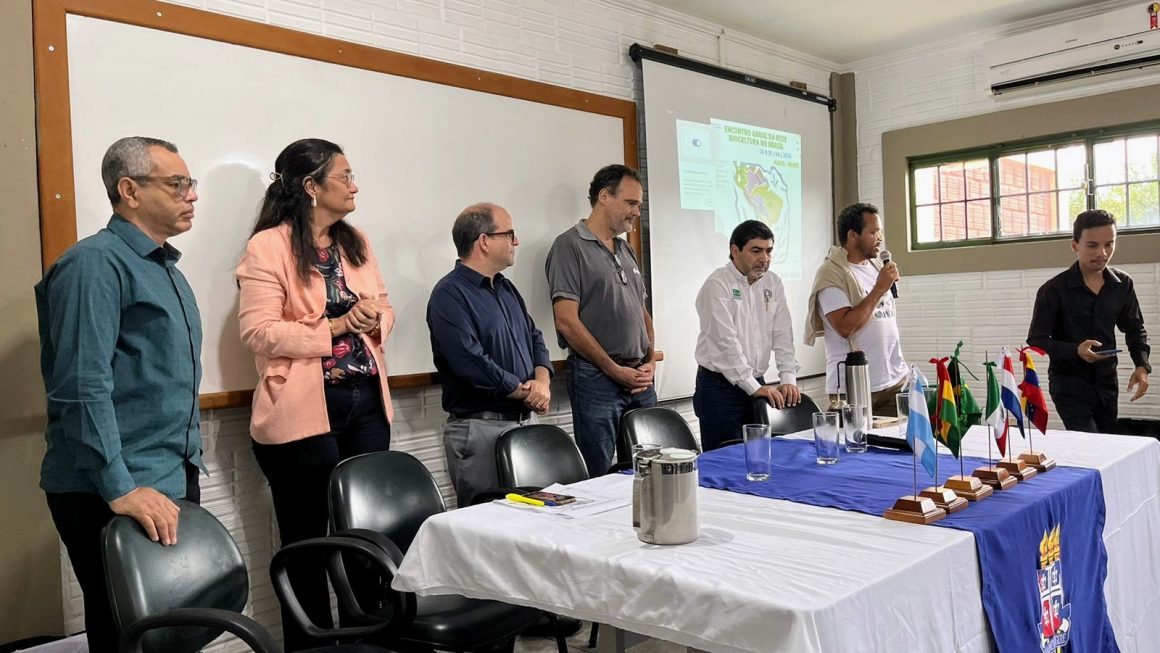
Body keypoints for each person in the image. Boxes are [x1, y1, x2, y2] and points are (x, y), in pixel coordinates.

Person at [36, 136, 204, 653]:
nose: (191, 195)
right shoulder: (94, 265)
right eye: (177, 184)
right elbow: (81, 386)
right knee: (129, 634)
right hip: (112, 487)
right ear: (129, 190)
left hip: (165, 474)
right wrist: (119, 486)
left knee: (172, 631)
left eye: (190, 183)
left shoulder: (163, 268)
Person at [236, 138, 393, 651]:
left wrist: (374, 318)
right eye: (344, 176)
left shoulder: (356, 242)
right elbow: (258, 332)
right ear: (310, 187)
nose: (354, 186)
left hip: (365, 401)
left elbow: (384, 306)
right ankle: (312, 647)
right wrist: (336, 324)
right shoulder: (269, 246)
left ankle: (370, 638)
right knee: (305, 541)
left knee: (366, 531)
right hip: (303, 409)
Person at [427, 203, 552, 507]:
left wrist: (542, 381)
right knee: (485, 527)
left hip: (523, 422)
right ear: (483, 241)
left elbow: (535, 337)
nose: (516, 241)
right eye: (509, 234)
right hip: (480, 429)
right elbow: (470, 360)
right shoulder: (449, 294)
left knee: (533, 525)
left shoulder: (507, 289)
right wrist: (525, 391)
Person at [546, 164, 655, 477]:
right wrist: (613, 369)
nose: (637, 212)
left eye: (639, 205)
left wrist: (650, 361)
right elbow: (566, 321)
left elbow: (642, 310)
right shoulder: (569, 246)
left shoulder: (625, 249)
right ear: (604, 197)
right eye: (631, 203)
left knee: (651, 474)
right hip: (597, 379)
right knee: (598, 476)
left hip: (639, 379)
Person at [1027, 209, 1150, 433]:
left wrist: (1141, 366)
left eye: (1109, 244)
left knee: (1105, 445)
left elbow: (1134, 328)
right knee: (1088, 441)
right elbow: (1037, 339)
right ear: (1075, 245)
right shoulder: (1053, 290)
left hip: (1107, 383)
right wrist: (1076, 350)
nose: (1102, 253)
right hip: (1069, 385)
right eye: (1093, 245)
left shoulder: (1122, 284)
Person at [694, 220, 800, 450]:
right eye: (756, 250)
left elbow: (783, 334)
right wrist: (753, 388)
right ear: (735, 251)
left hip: (757, 382)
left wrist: (788, 378)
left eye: (769, 250)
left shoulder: (773, 282)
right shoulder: (717, 284)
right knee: (724, 462)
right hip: (720, 388)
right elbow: (725, 344)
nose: (764, 258)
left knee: (760, 458)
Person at [805, 202, 908, 416]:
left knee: (898, 447)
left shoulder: (876, 266)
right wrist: (879, 288)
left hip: (893, 381)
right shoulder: (831, 274)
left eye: (879, 231)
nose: (880, 237)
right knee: (857, 447)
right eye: (873, 232)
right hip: (855, 388)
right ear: (853, 235)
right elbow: (845, 327)